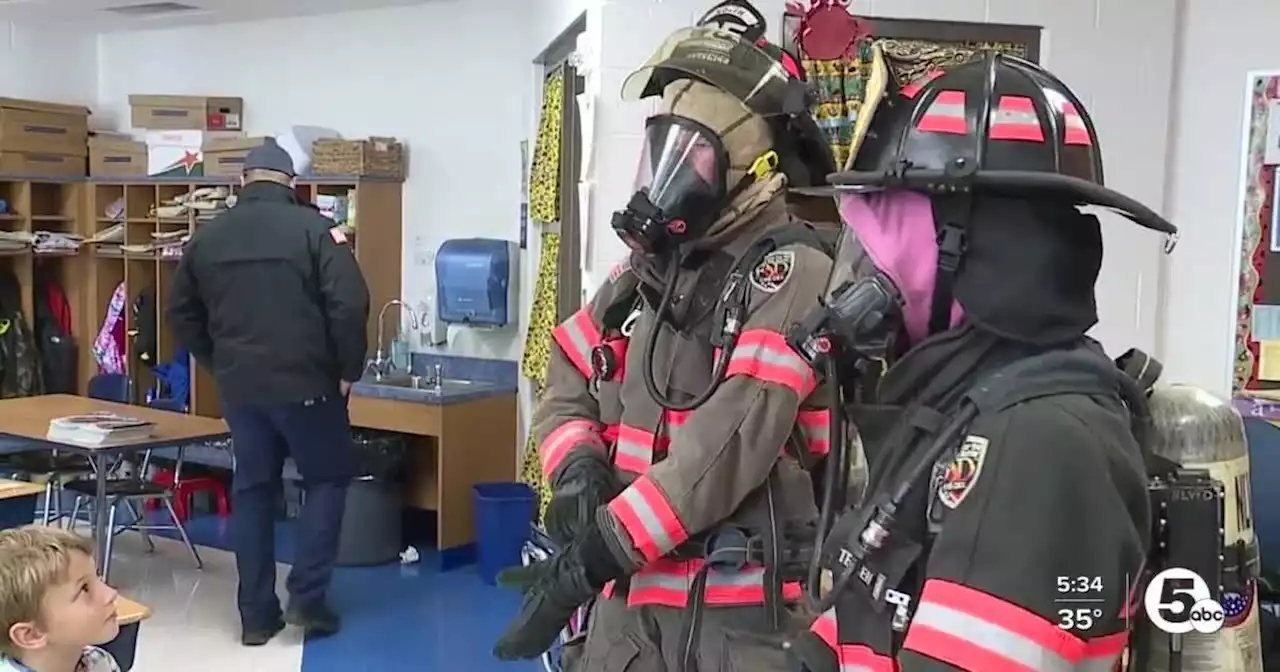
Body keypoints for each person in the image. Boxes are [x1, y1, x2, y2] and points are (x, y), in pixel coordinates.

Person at [782, 47, 1179, 671]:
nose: (862, 283)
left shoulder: (1042, 444)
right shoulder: (953, 412)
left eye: (882, 249)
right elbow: (868, 614)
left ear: (972, 253)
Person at [492, 16, 839, 672]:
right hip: (628, 620)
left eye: (696, 157)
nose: (669, 176)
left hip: (735, 627)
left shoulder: (794, 275)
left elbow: (720, 453)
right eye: (663, 150)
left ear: (753, 170)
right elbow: (567, 363)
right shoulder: (646, 274)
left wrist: (590, 561)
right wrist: (576, 466)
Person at [166, 139, 370, 646]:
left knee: (254, 490)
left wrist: (220, 364)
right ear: (293, 185)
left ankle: (256, 615)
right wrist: (347, 370)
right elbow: (349, 303)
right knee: (325, 480)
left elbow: (181, 316)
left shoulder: (207, 239)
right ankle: (307, 599)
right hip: (309, 386)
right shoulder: (317, 231)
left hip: (241, 390)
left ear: (242, 182)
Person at [0, 526, 121, 672]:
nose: (111, 593)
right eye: (84, 589)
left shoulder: (98, 661)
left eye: (97, 575)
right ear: (32, 635)